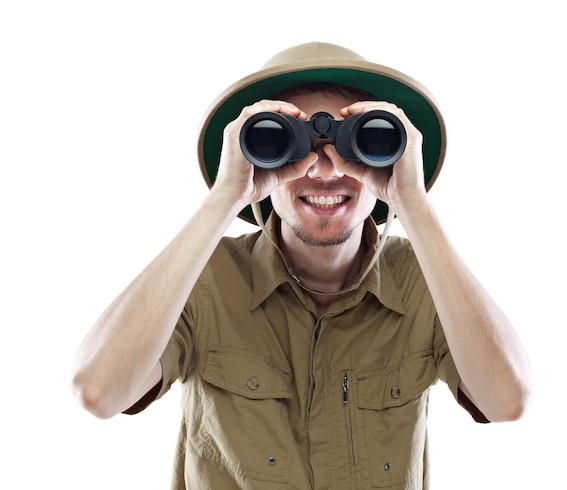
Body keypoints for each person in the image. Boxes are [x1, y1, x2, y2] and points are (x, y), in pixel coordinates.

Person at [71, 42, 533, 489]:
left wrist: (412, 201)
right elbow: (98, 391)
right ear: (255, 157)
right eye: (286, 142)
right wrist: (225, 198)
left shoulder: (423, 283)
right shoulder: (205, 280)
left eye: (361, 141)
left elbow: (507, 402)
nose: (324, 170)